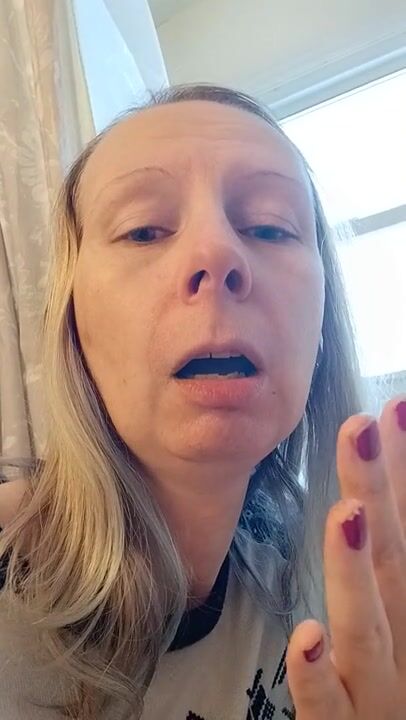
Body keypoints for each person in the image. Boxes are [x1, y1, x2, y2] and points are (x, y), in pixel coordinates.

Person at [0, 82, 405, 720]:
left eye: (270, 226)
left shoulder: (325, 581)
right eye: (142, 231)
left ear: (322, 326)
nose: (216, 253)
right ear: (71, 324)